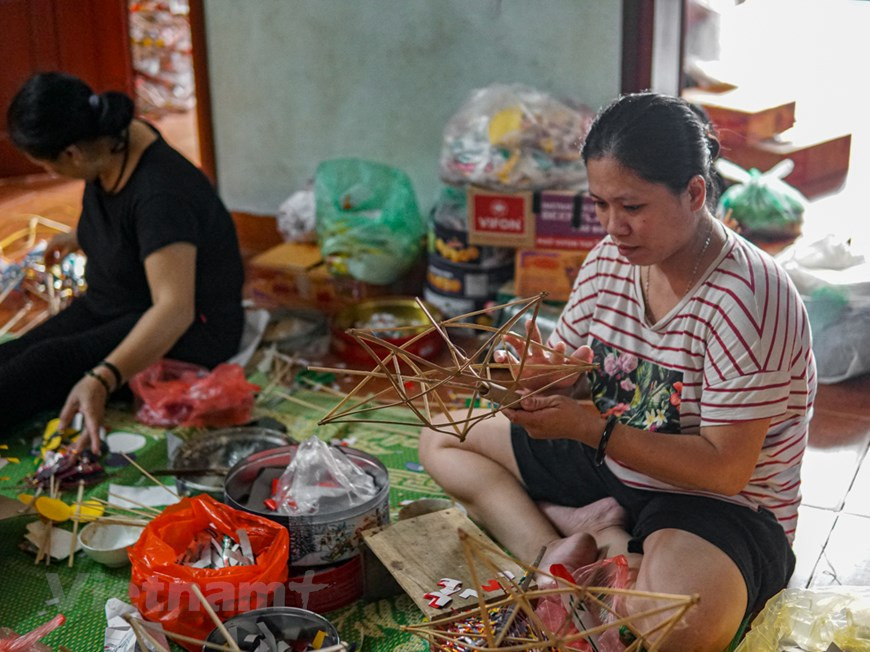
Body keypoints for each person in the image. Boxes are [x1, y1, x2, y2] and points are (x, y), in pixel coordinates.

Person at [419, 92, 816, 650]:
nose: (613, 226)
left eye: (632, 207)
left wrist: (588, 427)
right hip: (613, 459)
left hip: (716, 504)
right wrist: (542, 379)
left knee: (679, 624)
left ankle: (608, 541)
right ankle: (558, 560)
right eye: (600, 205)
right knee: (443, 437)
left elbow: (726, 470)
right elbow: (575, 370)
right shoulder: (610, 259)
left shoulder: (750, 296)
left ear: (694, 193)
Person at [1, 72, 245, 453]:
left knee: (45, 364)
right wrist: (80, 235)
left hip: (188, 327)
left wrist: (103, 377)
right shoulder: (110, 139)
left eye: (50, 168)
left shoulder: (161, 193)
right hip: (118, 301)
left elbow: (175, 309)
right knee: (19, 351)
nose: (53, 175)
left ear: (72, 154)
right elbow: (127, 223)